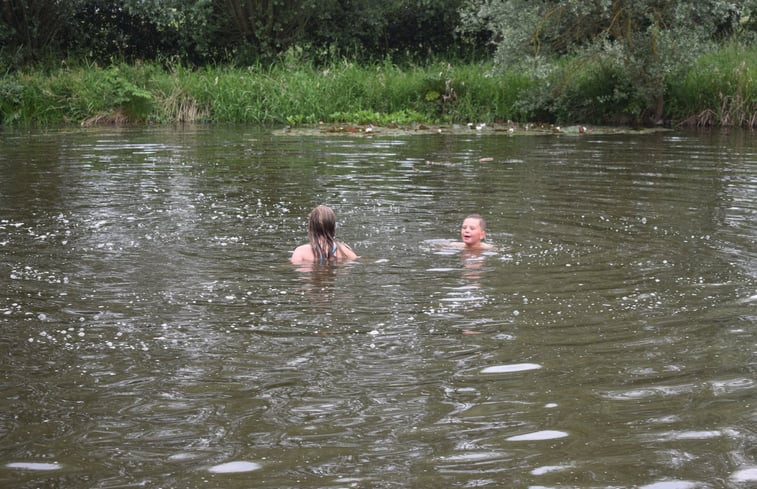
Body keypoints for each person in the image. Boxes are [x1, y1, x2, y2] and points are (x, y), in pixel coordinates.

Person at [291, 205, 358, 264]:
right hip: (332, 276)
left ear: (311, 227)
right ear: (333, 226)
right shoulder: (344, 251)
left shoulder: (300, 252)